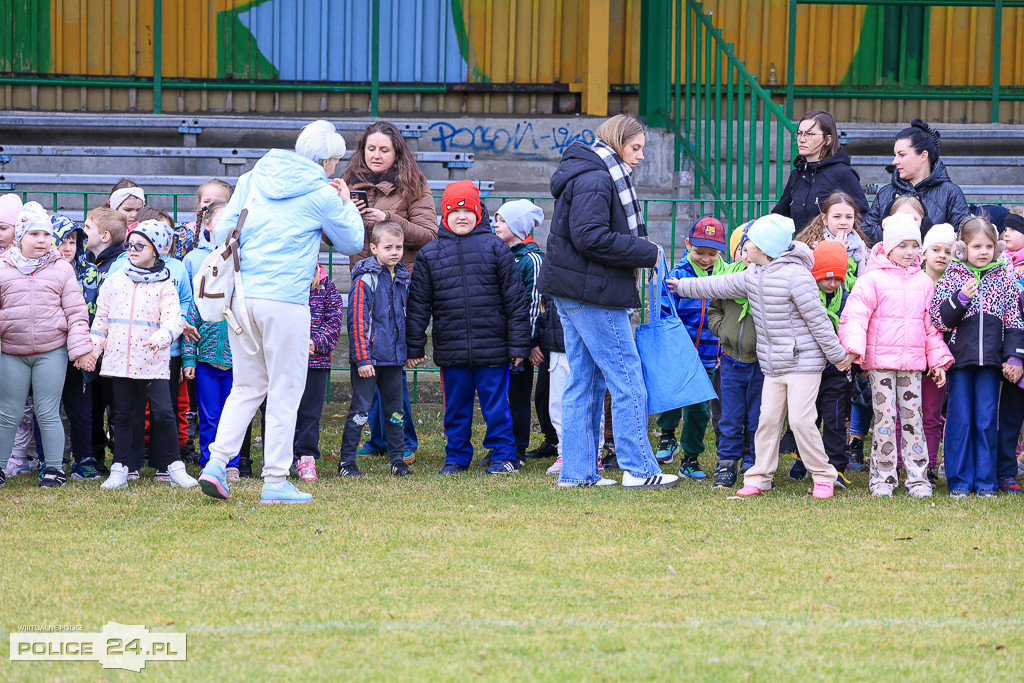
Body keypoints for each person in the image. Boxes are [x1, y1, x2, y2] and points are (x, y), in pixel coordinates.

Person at [197, 119, 363, 505]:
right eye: (335, 162)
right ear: (327, 160)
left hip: (242, 296)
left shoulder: (254, 176)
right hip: (286, 299)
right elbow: (352, 240)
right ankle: (274, 480)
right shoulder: (322, 193)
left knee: (247, 385)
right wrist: (343, 202)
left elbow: (222, 232)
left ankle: (216, 463)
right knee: (286, 389)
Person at [668, 214, 855, 499]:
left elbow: (818, 320)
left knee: (802, 421)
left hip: (803, 362)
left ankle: (823, 476)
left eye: (751, 241)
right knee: (767, 420)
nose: (746, 244)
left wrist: (838, 355)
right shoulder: (755, 274)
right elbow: (719, 285)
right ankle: (760, 476)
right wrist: (683, 287)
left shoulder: (798, 277)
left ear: (765, 247)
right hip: (773, 364)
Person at [537, 114, 677, 489]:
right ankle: (639, 469)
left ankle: (578, 473)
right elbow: (590, 237)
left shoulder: (590, 173)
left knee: (584, 380)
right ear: (617, 143)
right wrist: (645, 251)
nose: (641, 156)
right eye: (636, 148)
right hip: (592, 293)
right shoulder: (599, 178)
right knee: (627, 377)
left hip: (575, 289)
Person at [406, 180, 531, 475]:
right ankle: (457, 457)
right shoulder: (429, 254)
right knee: (456, 411)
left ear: (479, 213)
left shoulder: (496, 249)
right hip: (452, 351)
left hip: (494, 349)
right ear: (444, 215)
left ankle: (503, 456)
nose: (461, 216)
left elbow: (516, 301)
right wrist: (414, 345)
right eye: (454, 210)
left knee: (497, 408)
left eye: (467, 210)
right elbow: (419, 305)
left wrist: (518, 345)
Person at [342, 121, 438, 464]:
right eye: (371, 148)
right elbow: (330, 237)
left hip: (400, 284)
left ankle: (404, 440)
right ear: (362, 150)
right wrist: (344, 215)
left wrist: (388, 218)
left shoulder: (414, 184)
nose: (377, 155)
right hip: (365, 282)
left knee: (392, 363)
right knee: (372, 361)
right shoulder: (348, 182)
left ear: (397, 151)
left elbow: (429, 234)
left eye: (384, 149)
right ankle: (380, 438)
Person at [839, 214, 953, 498]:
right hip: (880, 366)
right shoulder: (872, 280)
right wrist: (854, 350)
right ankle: (883, 478)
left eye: (915, 245)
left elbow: (931, 328)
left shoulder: (924, 283)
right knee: (885, 419)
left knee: (913, 420)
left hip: (913, 367)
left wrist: (937, 361)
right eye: (903, 245)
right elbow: (855, 317)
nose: (910, 252)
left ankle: (917, 478)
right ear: (888, 247)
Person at [91, 220, 194, 490]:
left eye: (140, 245)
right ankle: (121, 467)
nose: (132, 249)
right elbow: (101, 319)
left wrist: (162, 337)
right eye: (129, 244)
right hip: (119, 362)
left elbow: (173, 321)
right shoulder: (114, 280)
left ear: (157, 250)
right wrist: (94, 346)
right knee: (124, 414)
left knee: (163, 412)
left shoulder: (165, 285)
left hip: (154, 360)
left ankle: (173, 465)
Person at [0, 203, 95, 489]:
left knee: (47, 411)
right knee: (8, 412)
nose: (41, 240)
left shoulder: (62, 269)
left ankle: (53, 468)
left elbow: (76, 313)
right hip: (11, 352)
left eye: (45, 234)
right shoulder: (3, 268)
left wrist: (80, 350)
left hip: (50, 351)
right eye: (34, 234)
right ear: (19, 238)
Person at [930, 217, 1024, 497]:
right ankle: (959, 482)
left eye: (988, 246)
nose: (982, 252)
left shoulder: (1004, 278)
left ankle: (985, 482)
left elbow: (1014, 322)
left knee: (985, 421)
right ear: (963, 248)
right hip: (960, 363)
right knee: (960, 420)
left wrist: (1014, 358)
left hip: (990, 366)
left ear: (996, 248)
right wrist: (960, 299)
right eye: (976, 246)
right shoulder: (953, 276)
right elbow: (939, 319)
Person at [182, 202, 253, 480]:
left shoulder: (247, 270)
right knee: (210, 416)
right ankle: (209, 461)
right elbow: (192, 319)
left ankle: (232, 463)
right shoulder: (205, 273)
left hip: (237, 363)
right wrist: (189, 358)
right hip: (207, 364)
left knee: (233, 416)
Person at [781, 240, 857, 488]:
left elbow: (852, 329)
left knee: (835, 420)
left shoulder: (847, 300)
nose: (832, 283)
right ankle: (803, 459)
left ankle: (836, 466)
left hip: (836, 371)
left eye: (837, 278)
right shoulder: (804, 296)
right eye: (826, 278)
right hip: (806, 368)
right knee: (807, 418)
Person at [338, 221, 412, 477]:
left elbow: (404, 319)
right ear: (373, 248)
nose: (394, 252)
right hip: (368, 360)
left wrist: (407, 353)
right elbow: (357, 320)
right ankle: (347, 462)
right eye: (388, 247)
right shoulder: (364, 280)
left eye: (399, 247)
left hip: (393, 359)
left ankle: (397, 461)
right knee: (360, 409)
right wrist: (362, 358)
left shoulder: (402, 278)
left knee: (396, 411)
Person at [654, 216, 726, 477]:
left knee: (699, 408)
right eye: (699, 252)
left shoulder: (726, 274)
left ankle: (691, 457)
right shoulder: (677, 276)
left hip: (708, 355)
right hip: (679, 352)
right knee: (672, 395)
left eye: (712, 253)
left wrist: (721, 350)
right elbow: (664, 312)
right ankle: (667, 435)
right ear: (687, 245)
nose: (705, 258)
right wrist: (669, 345)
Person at [707, 222, 760, 488]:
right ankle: (727, 464)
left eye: (755, 250)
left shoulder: (767, 282)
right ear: (736, 252)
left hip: (760, 364)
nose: (748, 256)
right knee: (729, 417)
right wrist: (722, 330)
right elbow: (714, 309)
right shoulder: (726, 280)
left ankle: (752, 460)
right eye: (744, 250)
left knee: (756, 417)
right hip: (730, 361)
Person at [492, 199, 546, 463]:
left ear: (518, 225)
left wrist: (529, 342)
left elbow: (534, 305)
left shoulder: (532, 260)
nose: (496, 225)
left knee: (518, 398)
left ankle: (518, 448)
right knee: (497, 397)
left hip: (520, 343)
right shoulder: (496, 253)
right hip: (497, 339)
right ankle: (499, 446)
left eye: (502, 221)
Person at [51, 214, 104, 480]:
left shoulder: (91, 273)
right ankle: (51, 459)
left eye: (73, 241)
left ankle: (84, 459)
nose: (68, 247)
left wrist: (89, 346)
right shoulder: (43, 273)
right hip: (49, 350)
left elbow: (97, 312)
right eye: (62, 241)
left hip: (81, 351)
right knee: (48, 408)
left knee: (81, 408)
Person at [862, 119, 970, 243]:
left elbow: (964, 237)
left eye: (901, 155)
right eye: (895, 155)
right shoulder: (885, 193)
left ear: (923, 156)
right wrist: (900, 230)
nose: (894, 161)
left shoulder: (951, 193)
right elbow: (866, 233)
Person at [773, 110, 869, 233]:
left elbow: (862, 218)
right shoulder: (797, 174)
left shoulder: (843, 173)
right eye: (799, 133)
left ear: (827, 140)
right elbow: (780, 216)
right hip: (801, 249)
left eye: (809, 134)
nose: (802, 139)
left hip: (833, 249)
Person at [293, 264, 344, 481]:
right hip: (287, 360)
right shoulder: (284, 281)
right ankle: (281, 457)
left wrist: (316, 342)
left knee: (310, 413)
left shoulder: (327, 286)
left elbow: (334, 319)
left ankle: (306, 457)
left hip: (316, 362)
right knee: (284, 409)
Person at [920, 223, 956, 480]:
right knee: (907, 414)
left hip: (940, 363)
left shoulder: (955, 286)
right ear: (924, 252)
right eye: (936, 249)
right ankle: (902, 463)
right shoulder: (913, 281)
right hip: (911, 359)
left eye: (948, 251)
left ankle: (930, 465)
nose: (942, 255)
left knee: (932, 414)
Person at [794, 191, 870, 280]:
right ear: (825, 219)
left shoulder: (861, 246)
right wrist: (836, 251)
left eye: (849, 217)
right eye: (837, 217)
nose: (843, 222)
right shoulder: (810, 246)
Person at [173, 178, 233, 259]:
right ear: (199, 204)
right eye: (206, 201)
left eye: (217, 202)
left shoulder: (233, 230)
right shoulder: (188, 231)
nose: (210, 205)